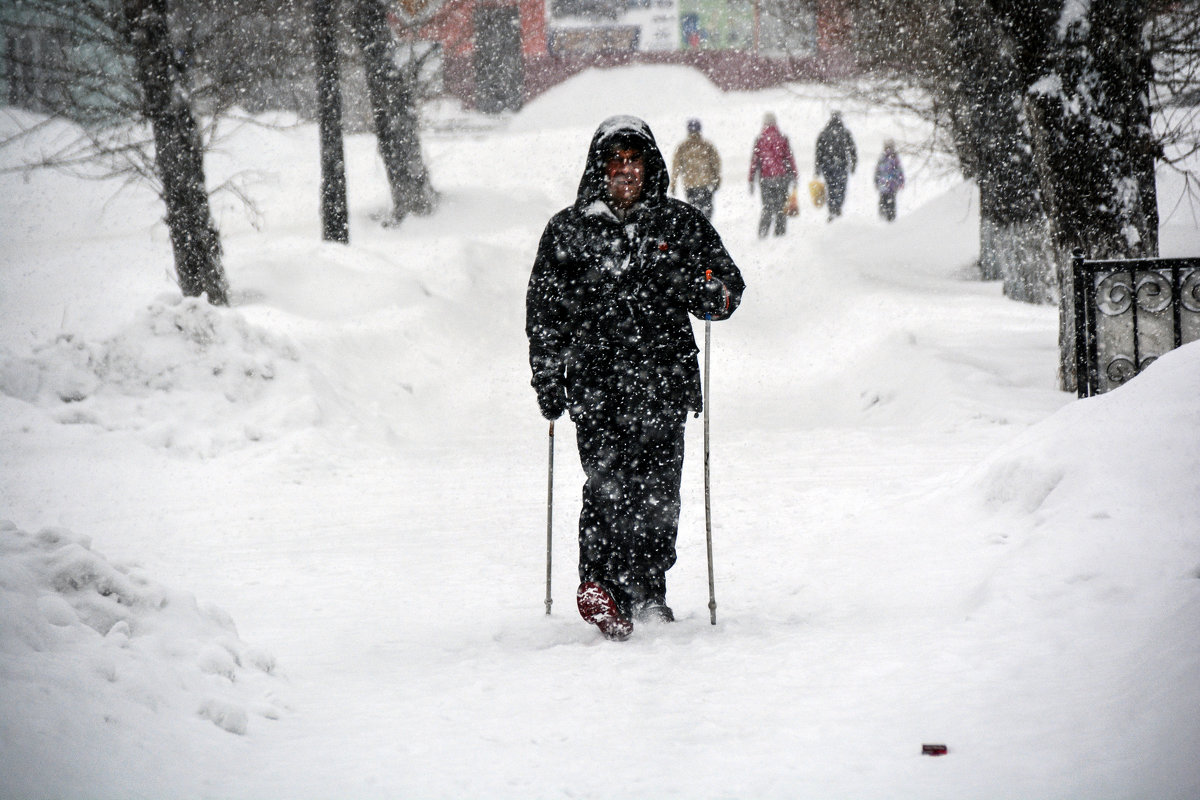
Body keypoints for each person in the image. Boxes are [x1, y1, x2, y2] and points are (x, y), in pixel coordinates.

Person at [526, 116, 745, 641]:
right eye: (616, 161)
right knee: (606, 487)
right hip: (595, 385)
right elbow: (544, 312)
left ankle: (648, 593)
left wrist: (705, 289)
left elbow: (727, 287)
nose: (626, 171)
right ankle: (602, 588)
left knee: (657, 494)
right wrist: (547, 377)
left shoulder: (681, 225)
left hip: (663, 384)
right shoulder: (568, 230)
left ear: (651, 167)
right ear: (599, 169)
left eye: (635, 160)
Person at [748, 112, 798, 238]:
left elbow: (754, 162)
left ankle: (763, 234)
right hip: (782, 178)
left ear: (764, 123)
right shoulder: (782, 138)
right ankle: (780, 234)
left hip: (766, 180)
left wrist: (751, 180)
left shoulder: (759, 140)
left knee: (768, 208)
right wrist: (794, 175)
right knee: (782, 208)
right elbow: (789, 158)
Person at [670, 118, 722, 220]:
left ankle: (699, 230)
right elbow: (716, 164)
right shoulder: (707, 145)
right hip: (706, 183)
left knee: (694, 211)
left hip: (690, 185)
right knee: (707, 210)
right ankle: (706, 229)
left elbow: (676, 167)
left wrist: (673, 184)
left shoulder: (682, 147)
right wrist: (717, 179)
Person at [814, 111, 857, 221]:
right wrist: (853, 163)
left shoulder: (824, 133)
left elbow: (819, 152)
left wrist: (817, 167)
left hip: (827, 164)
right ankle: (837, 207)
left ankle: (832, 208)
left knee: (831, 186)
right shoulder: (844, 132)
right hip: (841, 164)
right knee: (841, 187)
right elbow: (852, 149)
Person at [874, 140, 905, 222]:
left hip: (889, 185)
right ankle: (885, 217)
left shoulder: (892, 159)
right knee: (885, 201)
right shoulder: (884, 159)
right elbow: (878, 172)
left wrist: (901, 181)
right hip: (886, 185)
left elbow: (899, 171)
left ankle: (889, 218)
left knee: (889, 202)